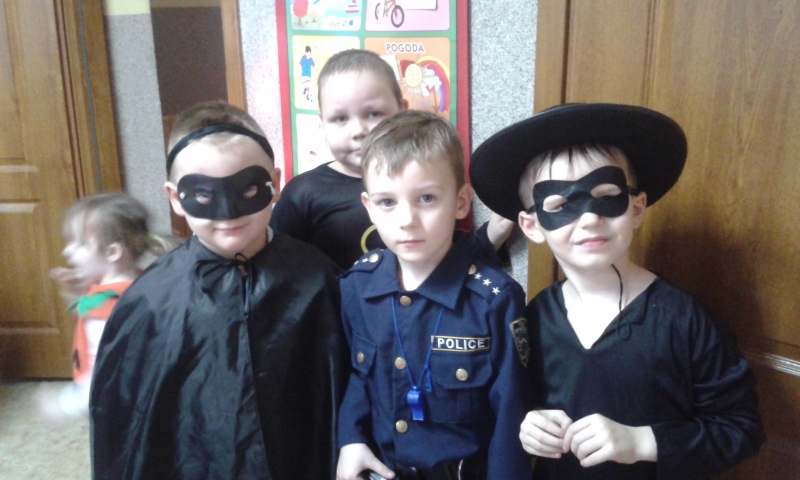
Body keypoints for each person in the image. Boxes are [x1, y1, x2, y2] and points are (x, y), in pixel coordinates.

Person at [469, 103, 765, 479]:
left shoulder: (683, 321)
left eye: (607, 195)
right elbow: (523, 397)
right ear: (532, 226)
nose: (590, 218)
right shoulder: (536, 316)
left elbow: (740, 428)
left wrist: (642, 442)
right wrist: (529, 424)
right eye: (561, 204)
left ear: (637, 208)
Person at [89, 101, 347, 480]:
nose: (229, 214)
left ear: (274, 184)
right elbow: (126, 426)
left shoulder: (317, 280)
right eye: (205, 196)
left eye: (248, 189)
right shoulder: (150, 302)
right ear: (175, 198)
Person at [336, 110, 533, 480]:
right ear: (369, 207)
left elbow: (511, 416)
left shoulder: (494, 299)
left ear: (461, 202)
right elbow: (359, 376)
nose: (406, 220)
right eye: (387, 202)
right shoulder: (358, 286)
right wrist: (351, 439)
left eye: (426, 198)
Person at [270, 48, 513, 270]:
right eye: (340, 118)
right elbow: (278, 266)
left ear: (402, 110)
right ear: (322, 121)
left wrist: (491, 237)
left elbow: (450, 254)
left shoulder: (429, 174)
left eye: (373, 113)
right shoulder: (302, 194)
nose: (358, 131)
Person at [42, 193, 167, 419]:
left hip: (118, 412)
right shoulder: (140, 283)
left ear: (113, 252)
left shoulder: (107, 314)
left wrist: (63, 406)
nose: (66, 251)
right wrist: (81, 288)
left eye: (80, 244)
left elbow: (103, 376)